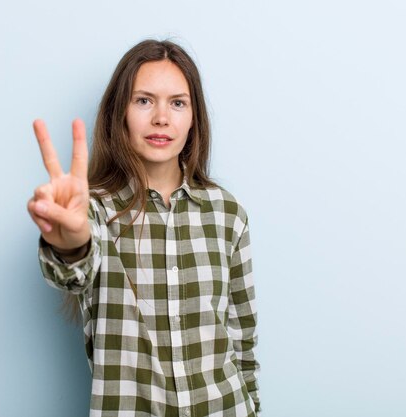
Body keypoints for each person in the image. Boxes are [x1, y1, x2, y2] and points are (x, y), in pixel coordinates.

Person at [27, 39, 260, 417]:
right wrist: (70, 244)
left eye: (178, 103)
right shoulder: (95, 211)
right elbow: (73, 271)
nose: (161, 119)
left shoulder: (227, 212)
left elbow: (242, 341)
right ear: (120, 112)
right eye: (144, 100)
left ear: (194, 117)